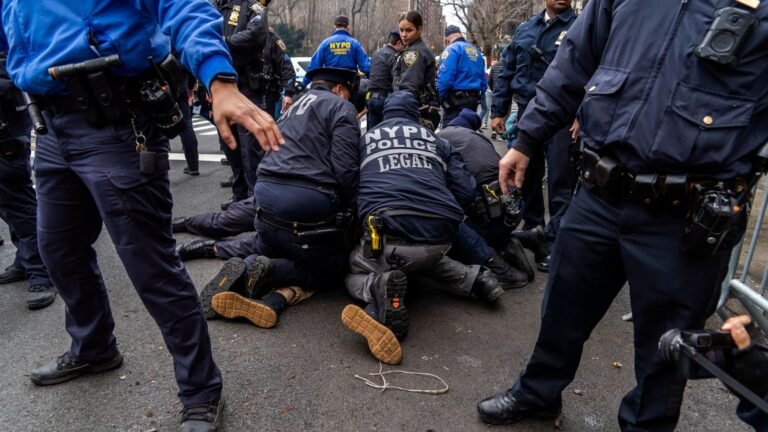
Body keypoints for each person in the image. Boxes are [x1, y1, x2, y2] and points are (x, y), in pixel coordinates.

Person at [478, 0, 768, 430]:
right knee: (562, 309)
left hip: (687, 216)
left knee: (663, 352)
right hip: (599, 195)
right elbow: (573, 63)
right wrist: (527, 138)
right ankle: (537, 394)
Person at [0, 1, 283, 431]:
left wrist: (219, 79)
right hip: (51, 129)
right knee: (58, 250)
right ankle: (94, 348)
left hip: (116, 125)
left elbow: (183, 6)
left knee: (152, 268)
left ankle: (201, 390)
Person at [341, 91, 504, 365]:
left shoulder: (364, 140)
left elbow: (349, 183)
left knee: (353, 270)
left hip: (387, 238)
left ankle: (376, 287)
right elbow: (465, 190)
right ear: (416, 114)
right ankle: (477, 280)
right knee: (423, 260)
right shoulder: (438, 140)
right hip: (440, 237)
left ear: (385, 113)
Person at [200, 67, 361, 330]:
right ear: (340, 89)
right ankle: (271, 271)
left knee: (271, 244)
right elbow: (346, 171)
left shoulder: (290, 109)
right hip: (307, 205)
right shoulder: (341, 108)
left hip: (265, 201)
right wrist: (350, 211)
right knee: (334, 266)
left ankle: (249, 266)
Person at [490, 0, 577, 272]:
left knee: (561, 183)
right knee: (525, 177)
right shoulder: (526, 29)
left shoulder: (579, 27)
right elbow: (507, 70)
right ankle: (534, 231)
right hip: (529, 111)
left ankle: (555, 245)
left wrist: (583, 113)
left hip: (564, 116)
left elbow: (591, 72)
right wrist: (498, 111)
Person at [438, 109, 535, 284]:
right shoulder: (480, 138)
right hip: (514, 207)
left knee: (453, 237)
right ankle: (526, 237)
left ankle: (502, 256)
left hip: (490, 214)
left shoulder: (441, 140)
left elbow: (464, 192)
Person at [0, 51, 57, 310]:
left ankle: (42, 272)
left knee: (20, 206)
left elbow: (12, 73)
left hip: (6, 135)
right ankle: (26, 261)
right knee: (9, 205)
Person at [215, 0, 275, 210]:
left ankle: (254, 198)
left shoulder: (252, 6)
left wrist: (224, 42)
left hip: (248, 85)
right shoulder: (215, 7)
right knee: (229, 144)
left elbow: (257, 34)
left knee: (250, 148)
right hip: (221, 83)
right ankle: (239, 194)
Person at [393, 11, 440, 131]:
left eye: (409, 30)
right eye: (401, 30)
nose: (403, 35)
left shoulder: (413, 53)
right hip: (422, 111)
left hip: (416, 113)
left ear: (419, 29)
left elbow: (408, 88)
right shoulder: (419, 49)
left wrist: (400, 112)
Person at [437, 25, 487, 126]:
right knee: (467, 135)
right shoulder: (476, 52)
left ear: (446, 39)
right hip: (472, 103)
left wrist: (439, 99)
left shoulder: (451, 49)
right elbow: (483, 83)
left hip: (456, 105)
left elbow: (445, 80)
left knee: (452, 136)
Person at [303, 15, 371, 87]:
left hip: (330, 85)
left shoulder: (325, 43)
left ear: (335, 26)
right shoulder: (355, 44)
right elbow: (366, 67)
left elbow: (314, 66)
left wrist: (303, 84)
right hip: (349, 84)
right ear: (348, 27)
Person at [367, 29, 404, 130]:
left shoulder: (376, 54)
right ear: (399, 43)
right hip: (384, 101)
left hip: (371, 99)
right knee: (386, 134)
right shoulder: (393, 56)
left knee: (372, 134)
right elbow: (396, 80)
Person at [262, 28, 297, 120]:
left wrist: (288, 94)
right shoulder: (239, 35)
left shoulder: (272, 39)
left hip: (267, 93)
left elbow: (287, 68)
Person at [176, 69, 201, 176]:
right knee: (186, 126)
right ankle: (193, 165)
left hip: (157, 88)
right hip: (181, 87)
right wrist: (190, 87)